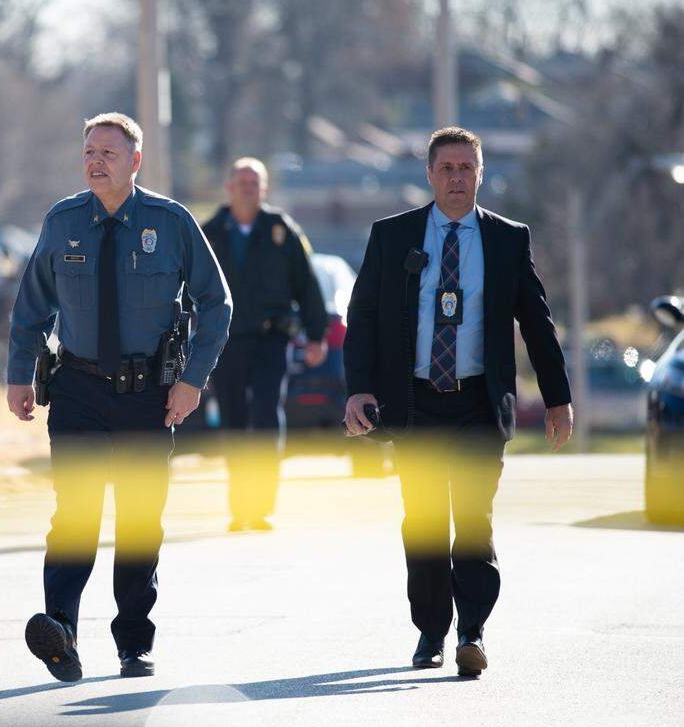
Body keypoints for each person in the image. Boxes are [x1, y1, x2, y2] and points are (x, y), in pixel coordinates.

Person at [7, 112, 231, 682]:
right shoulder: (62, 222)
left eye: (108, 152)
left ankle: (133, 641)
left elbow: (217, 303)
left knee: (137, 520)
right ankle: (61, 629)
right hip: (78, 387)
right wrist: (17, 376)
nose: (95, 161)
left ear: (135, 162)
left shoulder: (171, 222)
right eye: (88, 151)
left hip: (148, 395)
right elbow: (31, 307)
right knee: (75, 512)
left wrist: (192, 380)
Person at [343, 127, 573, 677]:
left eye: (467, 168)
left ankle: (472, 629)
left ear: (481, 174)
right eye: (446, 168)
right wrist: (358, 387)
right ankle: (430, 631)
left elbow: (536, 323)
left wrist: (557, 398)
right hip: (416, 404)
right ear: (429, 175)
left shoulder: (506, 239)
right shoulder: (393, 235)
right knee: (423, 521)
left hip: (477, 402)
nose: (456, 178)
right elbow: (365, 317)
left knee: (472, 519)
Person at [202, 157, 328, 531]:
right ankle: (239, 509)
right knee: (233, 420)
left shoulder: (281, 230)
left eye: (254, 183)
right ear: (228, 187)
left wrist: (316, 334)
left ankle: (260, 507)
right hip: (226, 343)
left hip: (272, 338)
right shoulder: (211, 232)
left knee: (266, 416)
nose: (246, 188)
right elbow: (190, 290)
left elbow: (306, 284)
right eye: (240, 182)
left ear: (264, 189)